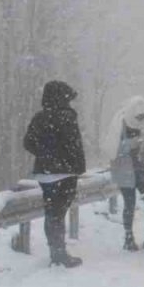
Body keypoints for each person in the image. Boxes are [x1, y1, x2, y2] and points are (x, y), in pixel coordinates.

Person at [22, 81, 86, 268]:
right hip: (65, 172)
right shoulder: (67, 117)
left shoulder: (39, 117)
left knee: (52, 214)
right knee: (59, 212)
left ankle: (55, 251)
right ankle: (59, 254)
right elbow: (75, 146)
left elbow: (28, 142)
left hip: (45, 173)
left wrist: (45, 154)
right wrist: (76, 167)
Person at [109, 97, 144, 251]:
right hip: (125, 167)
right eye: (139, 116)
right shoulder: (120, 123)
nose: (142, 118)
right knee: (129, 203)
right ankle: (128, 238)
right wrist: (131, 143)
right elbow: (112, 148)